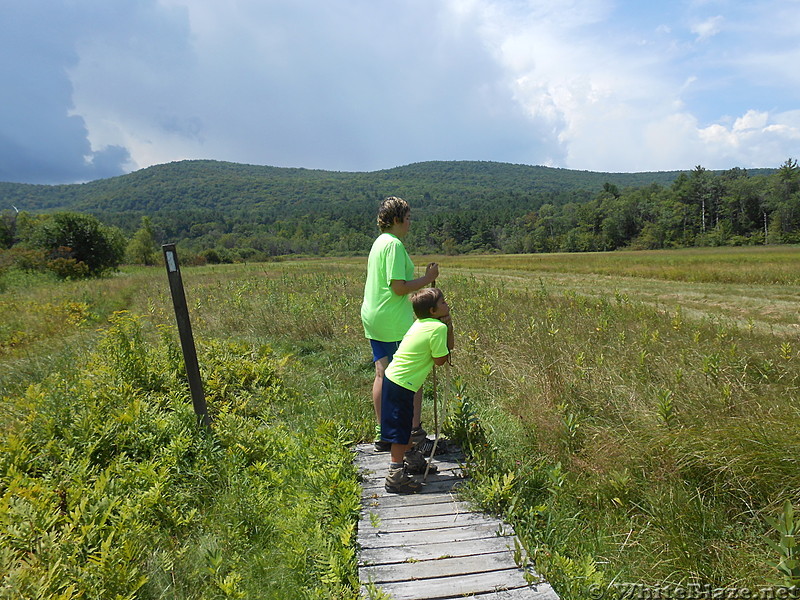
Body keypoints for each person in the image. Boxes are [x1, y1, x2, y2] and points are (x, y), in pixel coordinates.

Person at [361, 196, 438, 451]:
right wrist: (428, 279)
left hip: (374, 316)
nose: (410, 223)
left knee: (383, 373)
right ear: (396, 220)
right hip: (392, 319)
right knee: (409, 375)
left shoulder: (379, 243)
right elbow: (398, 288)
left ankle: (384, 433)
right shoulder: (393, 245)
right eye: (407, 218)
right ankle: (411, 432)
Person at [382, 287, 454, 494]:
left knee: (403, 426)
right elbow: (441, 360)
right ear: (432, 310)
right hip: (402, 384)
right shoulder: (437, 329)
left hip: (394, 379)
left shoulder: (420, 323)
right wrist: (447, 328)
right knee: (400, 432)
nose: (447, 304)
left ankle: (412, 460)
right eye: (443, 302)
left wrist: (447, 325)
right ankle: (395, 477)